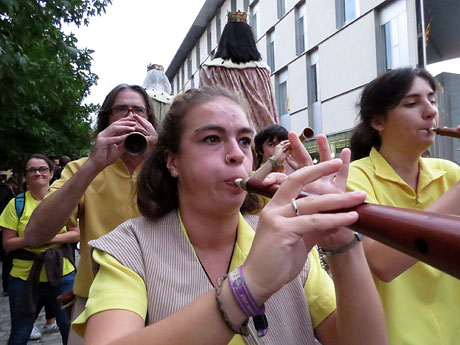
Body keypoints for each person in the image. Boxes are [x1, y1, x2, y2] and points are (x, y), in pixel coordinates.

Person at [73, 87, 387, 345]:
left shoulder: (290, 236)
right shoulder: (129, 249)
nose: (237, 153)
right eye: (212, 138)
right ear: (172, 162)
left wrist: (343, 243)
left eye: (245, 141)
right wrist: (246, 288)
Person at [23, 84, 159, 344]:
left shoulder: (168, 167)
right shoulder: (81, 169)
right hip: (96, 300)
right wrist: (95, 164)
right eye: (121, 110)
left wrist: (159, 160)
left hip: (163, 297)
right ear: (106, 120)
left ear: (150, 121)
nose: (131, 117)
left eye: (139, 111)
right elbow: (36, 234)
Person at [346, 67, 460, 345]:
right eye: (411, 103)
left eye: (432, 100)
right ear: (377, 122)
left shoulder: (451, 172)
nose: (431, 111)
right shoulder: (353, 178)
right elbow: (383, 263)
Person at [0, 154, 78, 345]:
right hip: (24, 277)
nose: (37, 173)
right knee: (20, 331)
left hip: (62, 274)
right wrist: (31, 239)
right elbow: (8, 243)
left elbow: (77, 233)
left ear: (52, 173)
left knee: (71, 331)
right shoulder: (16, 205)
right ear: (26, 176)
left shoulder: (63, 201)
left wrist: (48, 237)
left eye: (42, 169)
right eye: (32, 170)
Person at [199, 11, 279, 132]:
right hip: (262, 138)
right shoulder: (261, 71)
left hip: (225, 136)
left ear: (224, 40)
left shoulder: (210, 70)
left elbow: (204, 107)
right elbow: (270, 108)